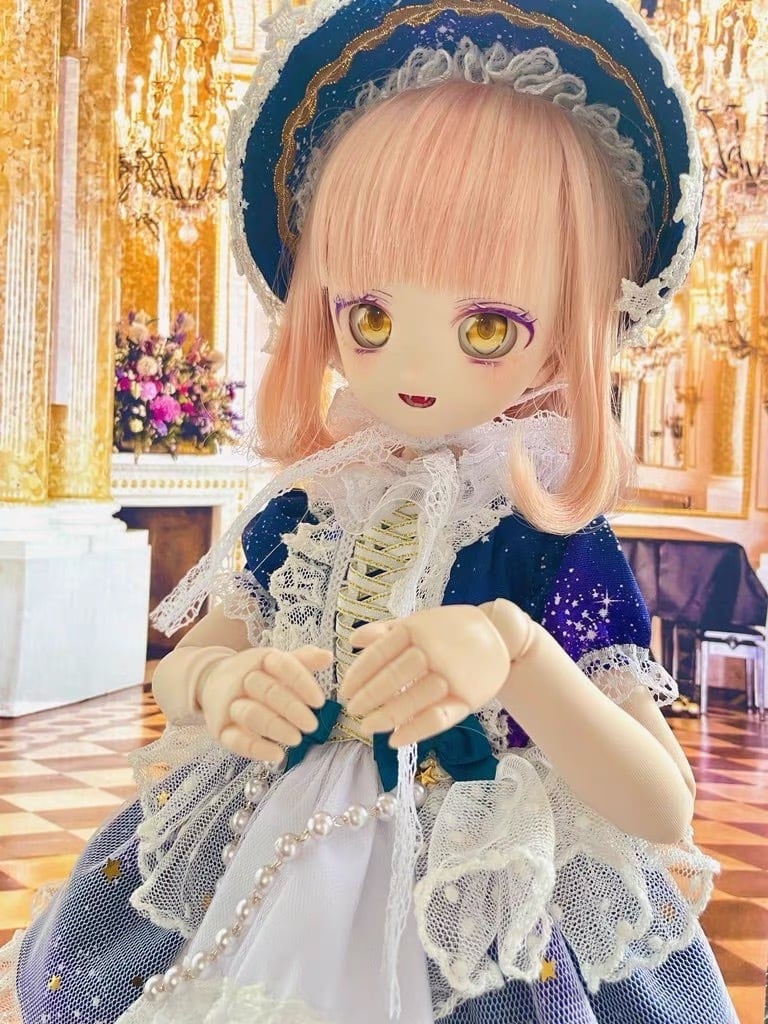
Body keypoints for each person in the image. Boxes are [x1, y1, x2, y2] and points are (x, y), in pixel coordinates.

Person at [0, 2, 739, 1022]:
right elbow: (185, 666)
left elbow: (661, 800)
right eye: (373, 317)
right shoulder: (317, 501)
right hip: (264, 839)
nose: (415, 364)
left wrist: (518, 654)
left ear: (567, 329)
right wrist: (220, 681)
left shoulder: (542, 535)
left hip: (468, 884)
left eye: (487, 326)